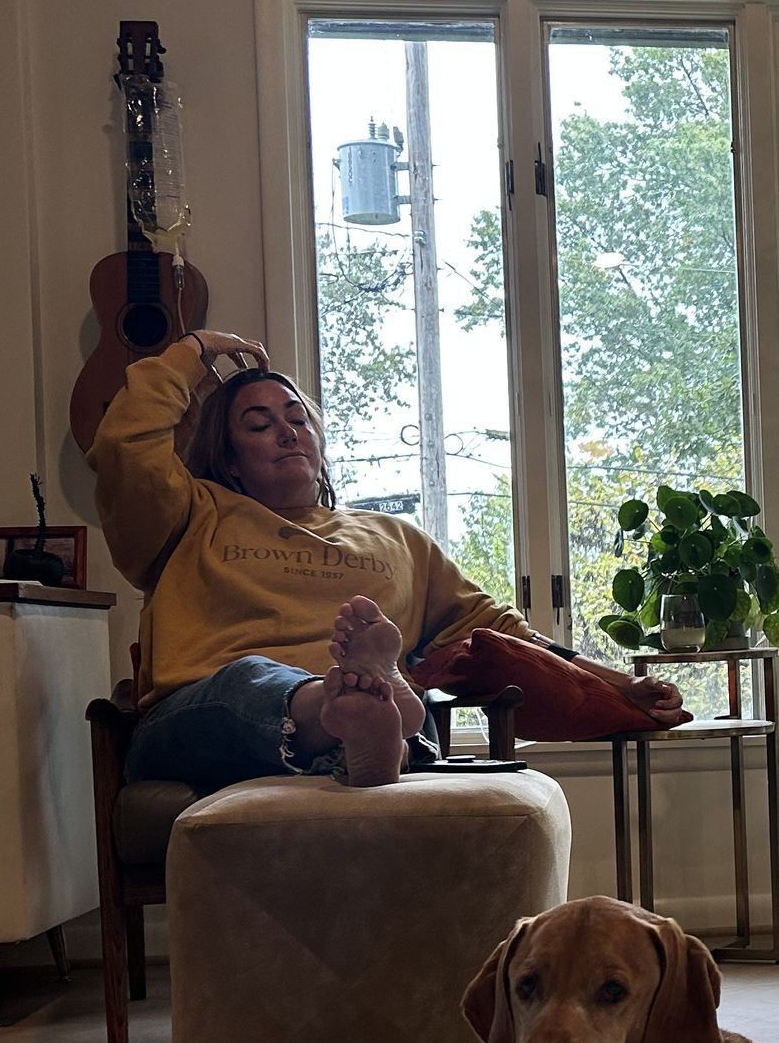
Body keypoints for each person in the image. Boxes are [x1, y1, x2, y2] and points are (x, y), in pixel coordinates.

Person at [91, 329, 687, 794]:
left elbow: (499, 630)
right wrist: (193, 352)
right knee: (253, 676)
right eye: (259, 424)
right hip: (209, 711)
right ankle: (354, 713)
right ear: (228, 457)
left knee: (396, 697)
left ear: (319, 443)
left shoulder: (395, 538)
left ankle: (368, 723)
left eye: (298, 419)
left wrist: (622, 683)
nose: (288, 433)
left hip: (374, 709)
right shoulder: (189, 513)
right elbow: (125, 447)